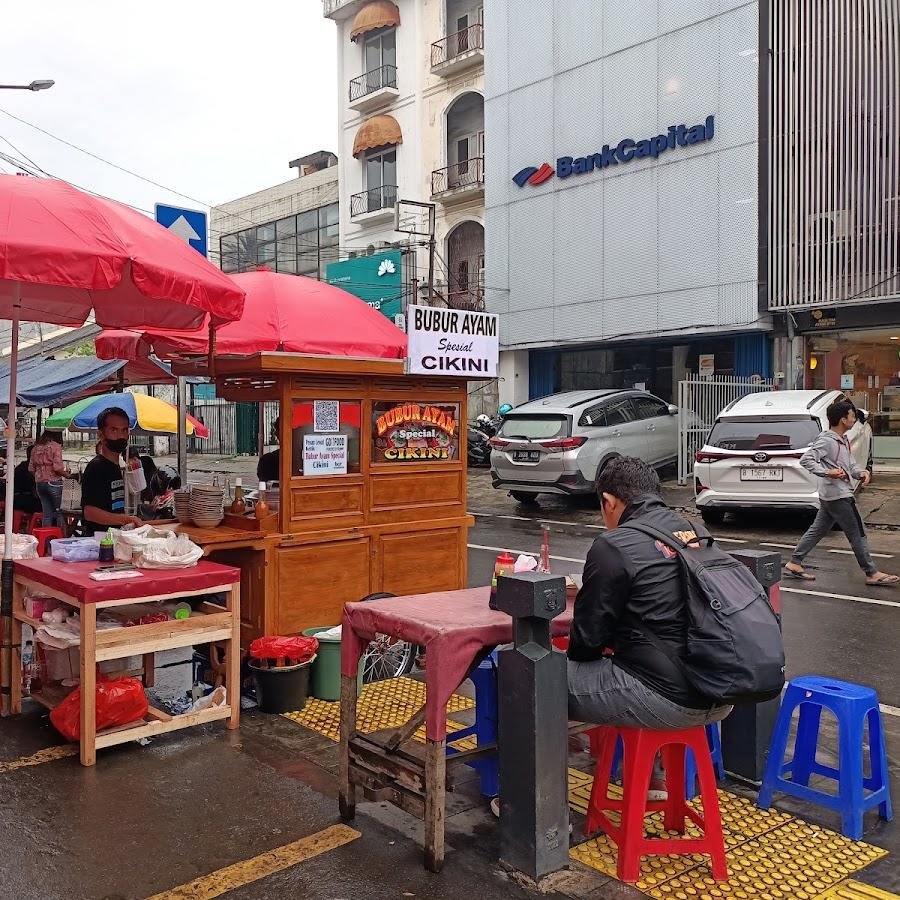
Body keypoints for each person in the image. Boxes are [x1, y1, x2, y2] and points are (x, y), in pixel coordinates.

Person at [567, 456, 733, 799]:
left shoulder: (614, 546)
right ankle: (652, 779)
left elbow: (585, 644)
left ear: (609, 502)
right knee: (645, 661)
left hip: (669, 701)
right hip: (722, 691)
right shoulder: (697, 533)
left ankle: (533, 811)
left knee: (528, 675)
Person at [784, 399, 898, 586]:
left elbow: (849, 465)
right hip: (840, 496)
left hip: (830, 495)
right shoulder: (827, 440)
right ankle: (871, 572)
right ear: (843, 419)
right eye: (852, 416)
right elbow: (807, 460)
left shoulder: (842, 439)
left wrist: (861, 472)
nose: (854, 419)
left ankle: (795, 562)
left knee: (818, 530)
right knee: (858, 533)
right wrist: (827, 472)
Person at [80, 407, 142, 534]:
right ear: (101, 435)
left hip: (114, 537)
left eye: (124, 430)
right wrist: (125, 519)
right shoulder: (96, 467)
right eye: (114, 430)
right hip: (98, 541)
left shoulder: (115, 466)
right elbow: (89, 512)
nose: (120, 436)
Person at [29, 429, 68, 527]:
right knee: (60, 513)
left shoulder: (36, 448)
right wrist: (68, 475)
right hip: (53, 482)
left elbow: (30, 468)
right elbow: (57, 468)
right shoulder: (55, 446)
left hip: (40, 484)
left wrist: (39, 476)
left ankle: (46, 538)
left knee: (47, 515)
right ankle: (61, 538)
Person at [12, 445, 41, 515]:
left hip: (15, 499)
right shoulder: (32, 469)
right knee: (50, 506)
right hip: (25, 501)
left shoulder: (20, 466)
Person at [257, 416, 280, 483]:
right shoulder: (267, 460)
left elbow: (263, 485)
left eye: (277, 430)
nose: (275, 433)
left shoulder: (266, 460)